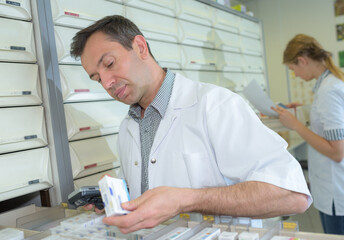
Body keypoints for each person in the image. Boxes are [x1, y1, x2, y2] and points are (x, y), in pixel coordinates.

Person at [70, 15, 311, 234]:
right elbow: (152, 197)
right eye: (97, 78)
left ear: (140, 47)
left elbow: (291, 195)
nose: (107, 83)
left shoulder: (215, 105)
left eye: (110, 64)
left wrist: (185, 199)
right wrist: (120, 202)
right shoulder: (128, 128)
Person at [271, 34, 344, 235]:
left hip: (336, 192)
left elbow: (337, 151)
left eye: (293, 69)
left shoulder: (329, 90)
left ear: (302, 61)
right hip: (332, 188)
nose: (294, 75)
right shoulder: (329, 83)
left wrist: (296, 125)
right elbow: (328, 118)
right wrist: (305, 109)